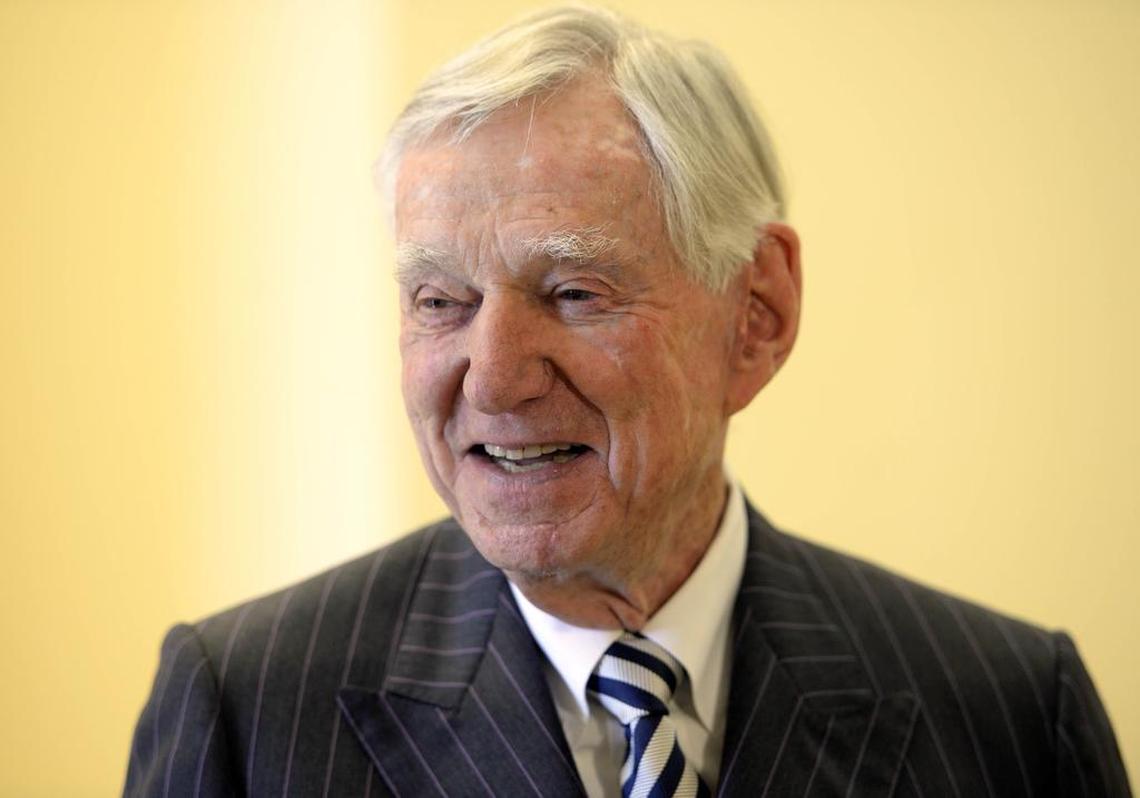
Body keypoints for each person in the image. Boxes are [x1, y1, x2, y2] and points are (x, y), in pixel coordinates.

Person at [125, 6, 1130, 796]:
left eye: (572, 293)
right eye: (441, 301)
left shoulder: (1007, 712)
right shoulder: (248, 710)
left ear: (759, 312)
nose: (494, 376)